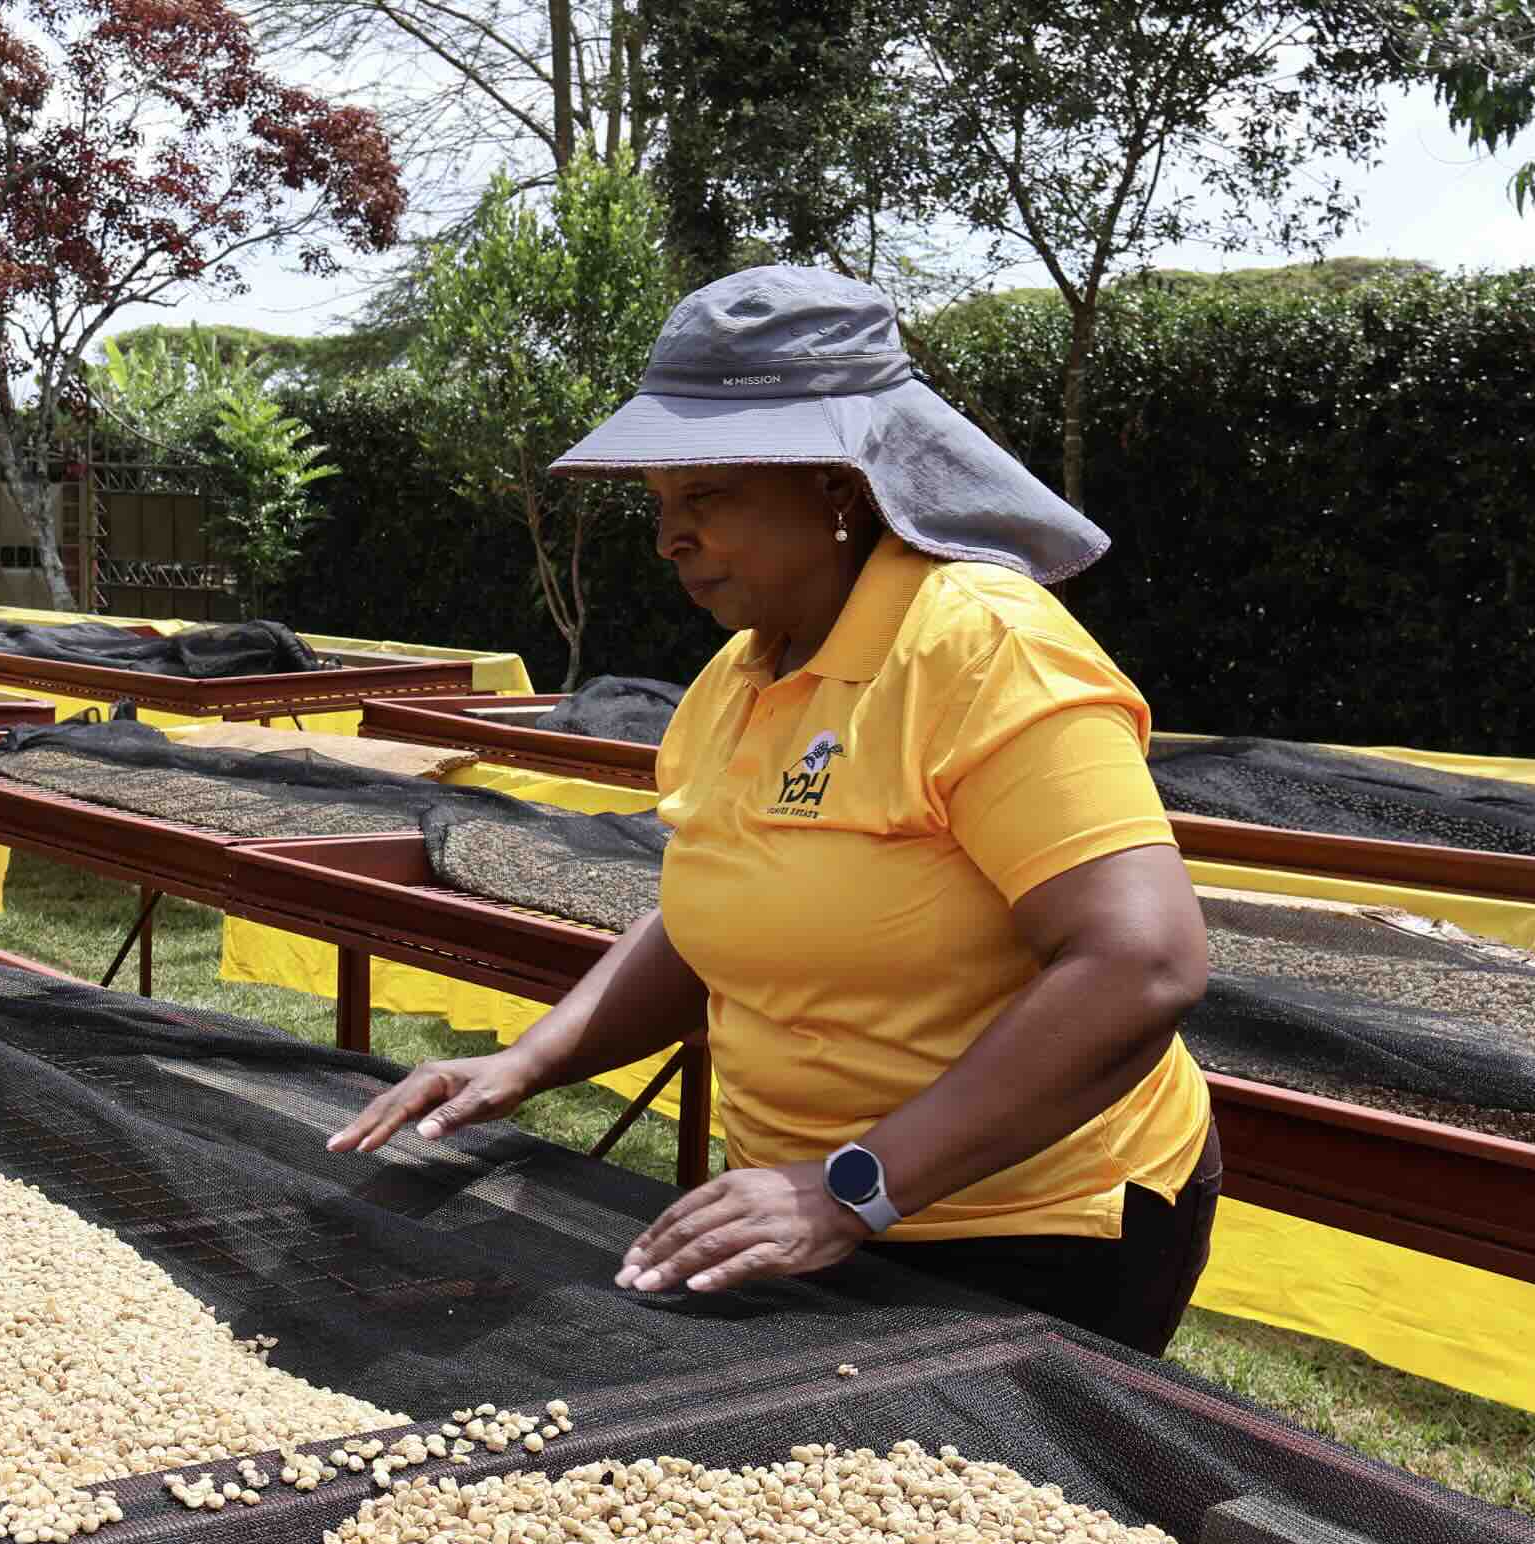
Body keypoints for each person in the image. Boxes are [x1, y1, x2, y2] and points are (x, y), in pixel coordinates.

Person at [330, 266, 1219, 1357]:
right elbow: (716, 911)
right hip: (793, 1203)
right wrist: (528, 1060)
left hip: (1022, 1225)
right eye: (659, 504)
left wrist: (853, 1188)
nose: (668, 540)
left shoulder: (978, 645)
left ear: (837, 490)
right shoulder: (738, 677)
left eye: (705, 498)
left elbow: (1139, 962)